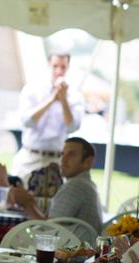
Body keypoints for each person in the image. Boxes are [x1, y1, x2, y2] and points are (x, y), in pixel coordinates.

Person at [7, 137, 102, 242]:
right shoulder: (86, 184)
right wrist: (31, 203)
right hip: (77, 250)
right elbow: (53, 225)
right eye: (62, 154)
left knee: (13, 239)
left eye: (71, 154)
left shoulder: (76, 185)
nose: (63, 159)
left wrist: (28, 204)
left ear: (88, 162)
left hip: (72, 253)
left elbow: (50, 231)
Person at [11, 52, 84, 184]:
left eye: (63, 67)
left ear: (68, 68)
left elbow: (72, 127)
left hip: (57, 160)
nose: (59, 71)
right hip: (31, 157)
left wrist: (63, 101)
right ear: (48, 66)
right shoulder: (32, 89)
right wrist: (51, 100)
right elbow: (27, 121)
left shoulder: (75, 96)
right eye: (55, 66)